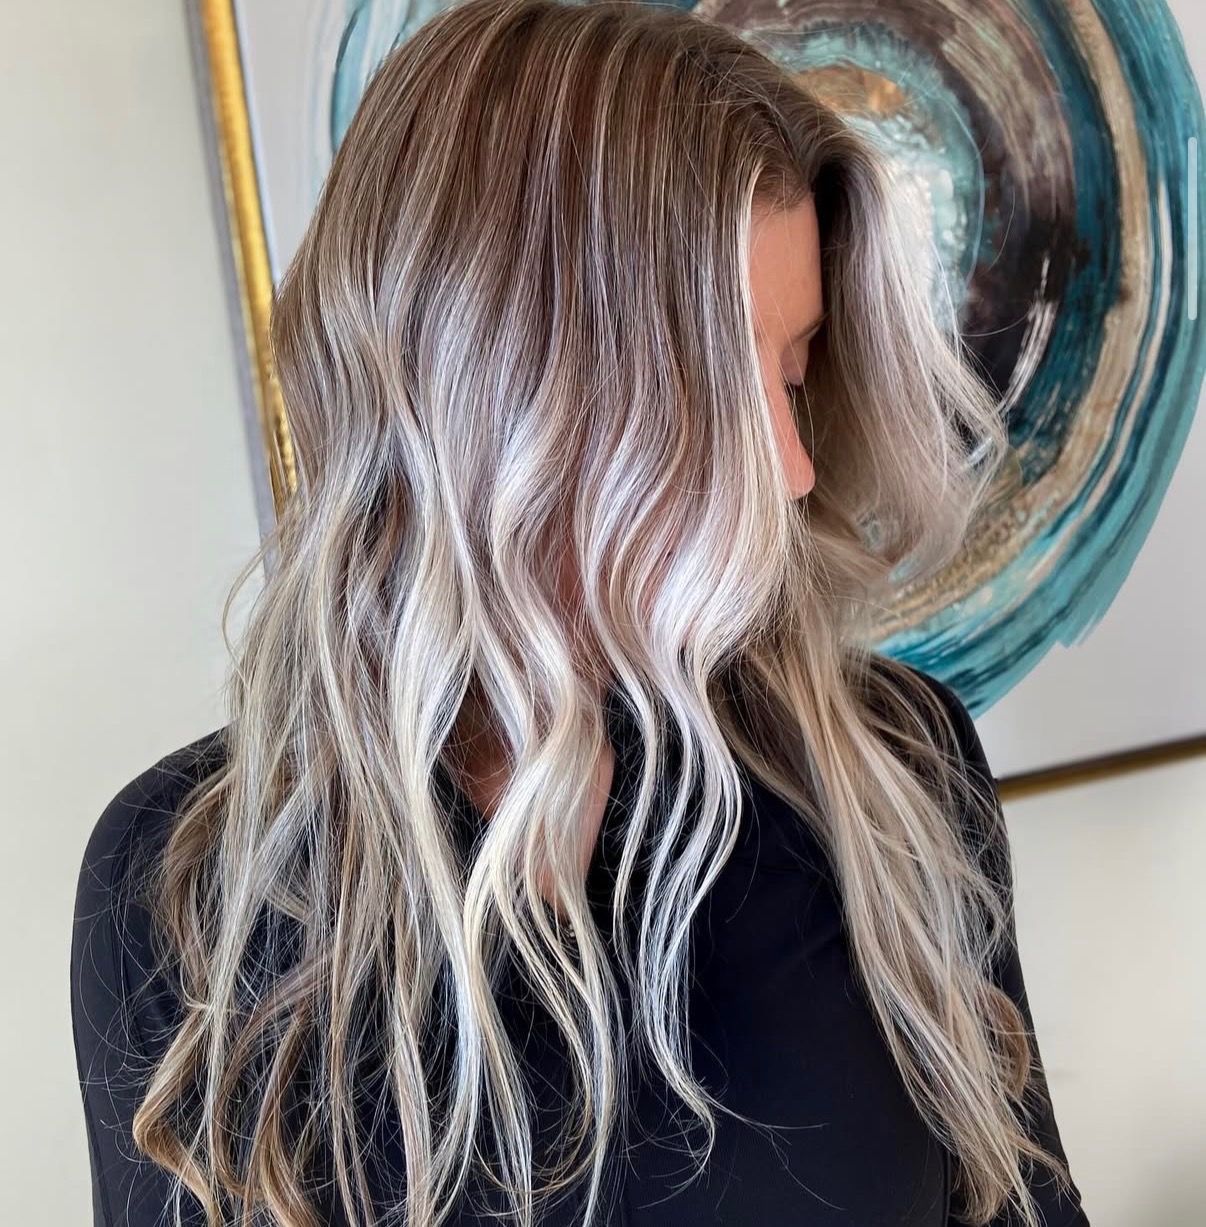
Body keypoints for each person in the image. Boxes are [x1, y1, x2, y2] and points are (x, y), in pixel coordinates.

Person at [70, 1, 1091, 1224]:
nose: (790, 464)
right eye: (716, 390)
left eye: (793, 374)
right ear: (496, 395)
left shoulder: (889, 769)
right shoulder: (190, 886)